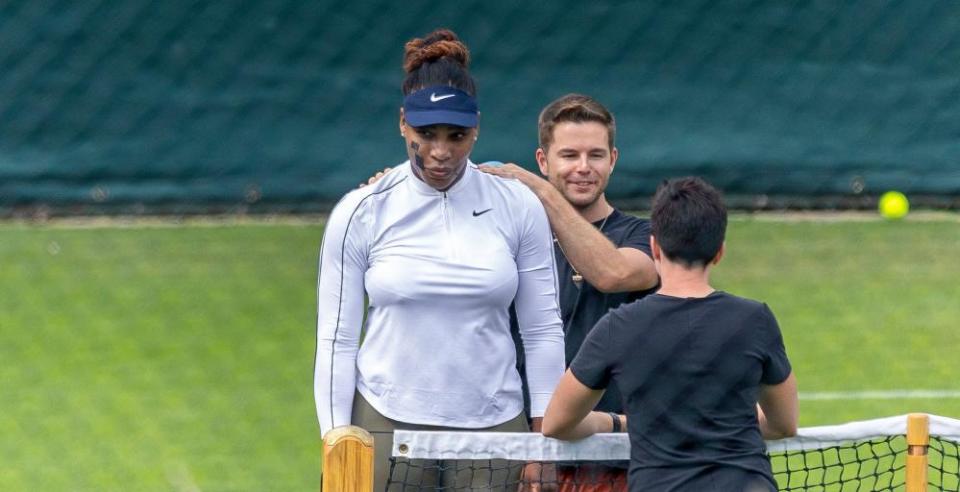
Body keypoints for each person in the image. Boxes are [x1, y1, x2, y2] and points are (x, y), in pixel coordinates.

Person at [364, 94, 659, 490]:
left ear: (614, 159)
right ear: (544, 160)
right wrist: (393, 192)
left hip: (612, 458)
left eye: (596, 155)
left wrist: (542, 193)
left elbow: (613, 273)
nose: (583, 168)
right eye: (569, 155)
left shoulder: (644, 237)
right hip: (514, 450)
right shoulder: (503, 238)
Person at [314, 28, 566, 491]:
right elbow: (336, 337)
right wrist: (337, 440)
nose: (440, 151)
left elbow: (543, 328)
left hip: (493, 426)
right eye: (426, 133)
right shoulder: (361, 211)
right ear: (402, 124)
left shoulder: (518, 206)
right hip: (385, 422)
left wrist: (542, 441)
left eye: (458, 135)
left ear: (478, 128)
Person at [542, 177, 799, 492]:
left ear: (654, 247)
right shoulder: (755, 320)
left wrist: (616, 423)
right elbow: (784, 423)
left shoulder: (617, 327)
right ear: (719, 252)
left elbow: (556, 423)